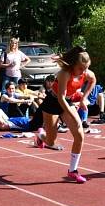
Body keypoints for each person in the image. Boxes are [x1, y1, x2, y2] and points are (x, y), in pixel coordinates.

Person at [35, 46, 97, 183]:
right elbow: (60, 98)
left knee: (79, 134)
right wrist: (73, 115)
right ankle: (41, 135)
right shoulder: (64, 74)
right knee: (51, 141)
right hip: (53, 101)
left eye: (86, 68)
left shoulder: (86, 73)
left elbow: (93, 81)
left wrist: (83, 100)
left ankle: (73, 171)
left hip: (67, 101)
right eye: (81, 68)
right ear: (73, 65)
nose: (84, 71)